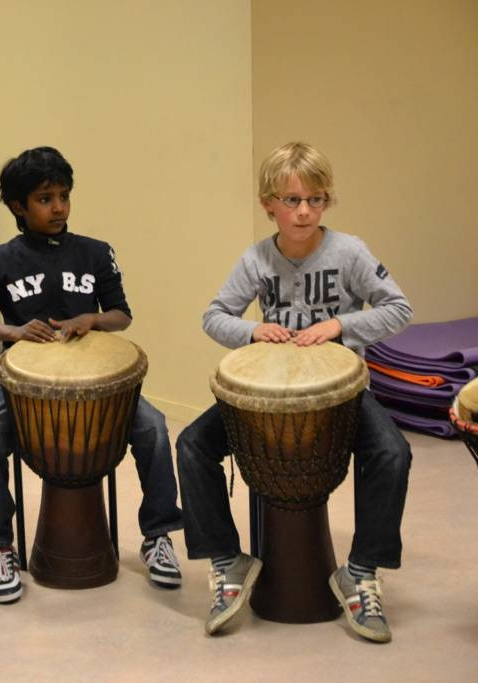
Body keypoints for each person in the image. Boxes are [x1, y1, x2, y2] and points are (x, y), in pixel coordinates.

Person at [177, 141, 412, 642]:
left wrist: (339, 326)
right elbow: (213, 315)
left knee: (393, 452)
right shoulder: (256, 259)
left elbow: (398, 308)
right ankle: (227, 560)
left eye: (316, 199)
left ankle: (362, 571)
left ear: (327, 202)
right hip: (267, 398)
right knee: (192, 444)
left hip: (340, 393)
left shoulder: (349, 251)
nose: (304, 211)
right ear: (268, 204)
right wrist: (252, 331)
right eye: (291, 200)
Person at [0, 146, 184, 604]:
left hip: (98, 384)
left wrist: (93, 320)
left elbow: (122, 314)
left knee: (155, 428)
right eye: (45, 198)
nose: (59, 206)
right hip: (23, 387)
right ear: (19, 207)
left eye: (64, 195)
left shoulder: (95, 253)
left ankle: (157, 535)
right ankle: (1, 544)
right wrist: (14, 330)